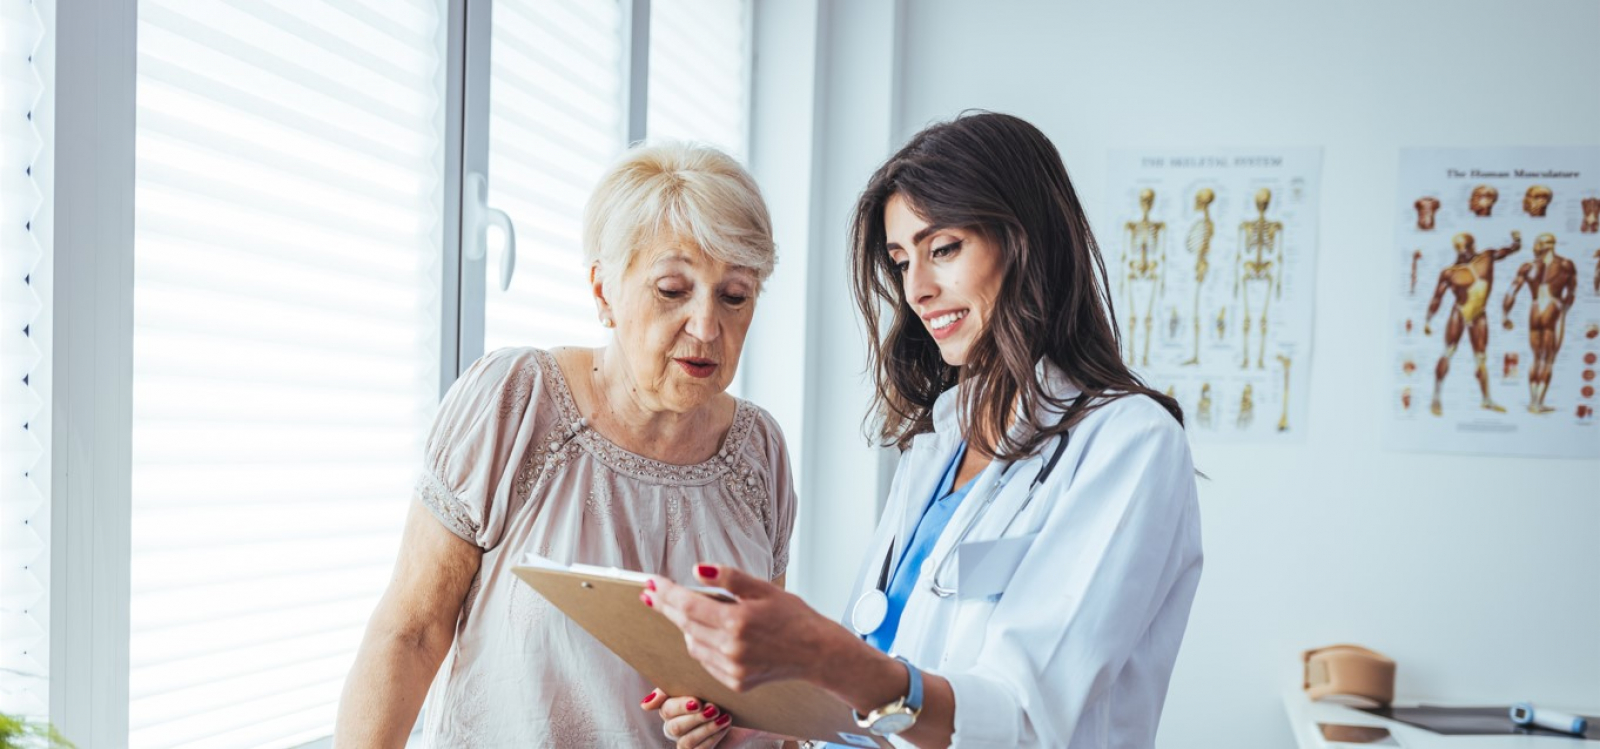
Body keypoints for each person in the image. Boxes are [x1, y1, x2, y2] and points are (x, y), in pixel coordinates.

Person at [641, 112, 1203, 749]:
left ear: (1029, 241)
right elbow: (882, 705)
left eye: (944, 249)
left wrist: (823, 656)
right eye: (901, 260)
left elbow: (1021, 719)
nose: (918, 290)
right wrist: (758, 723)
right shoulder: (938, 447)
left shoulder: (1130, 444)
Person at [335, 142, 797, 747]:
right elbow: (412, 632)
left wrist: (731, 710)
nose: (707, 327)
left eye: (734, 295)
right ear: (604, 291)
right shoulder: (518, 402)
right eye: (672, 289)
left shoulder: (758, 450)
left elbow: (773, 684)